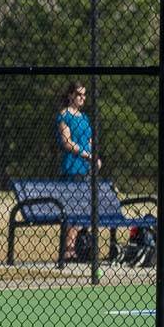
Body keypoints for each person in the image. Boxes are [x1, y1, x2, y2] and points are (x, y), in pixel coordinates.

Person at [55, 81, 101, 261]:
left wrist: (94, 157)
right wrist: (84, 154)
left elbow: (89, 142)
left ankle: (77, 247)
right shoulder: (64, 115)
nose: (82, 98)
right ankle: (68, 249)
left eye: (84, 95)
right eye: (79, 94)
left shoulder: (84, 118)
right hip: (72, 166)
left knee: (83, 207)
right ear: (70, 96)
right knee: (71, 208)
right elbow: (67, 141)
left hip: (85, 166)